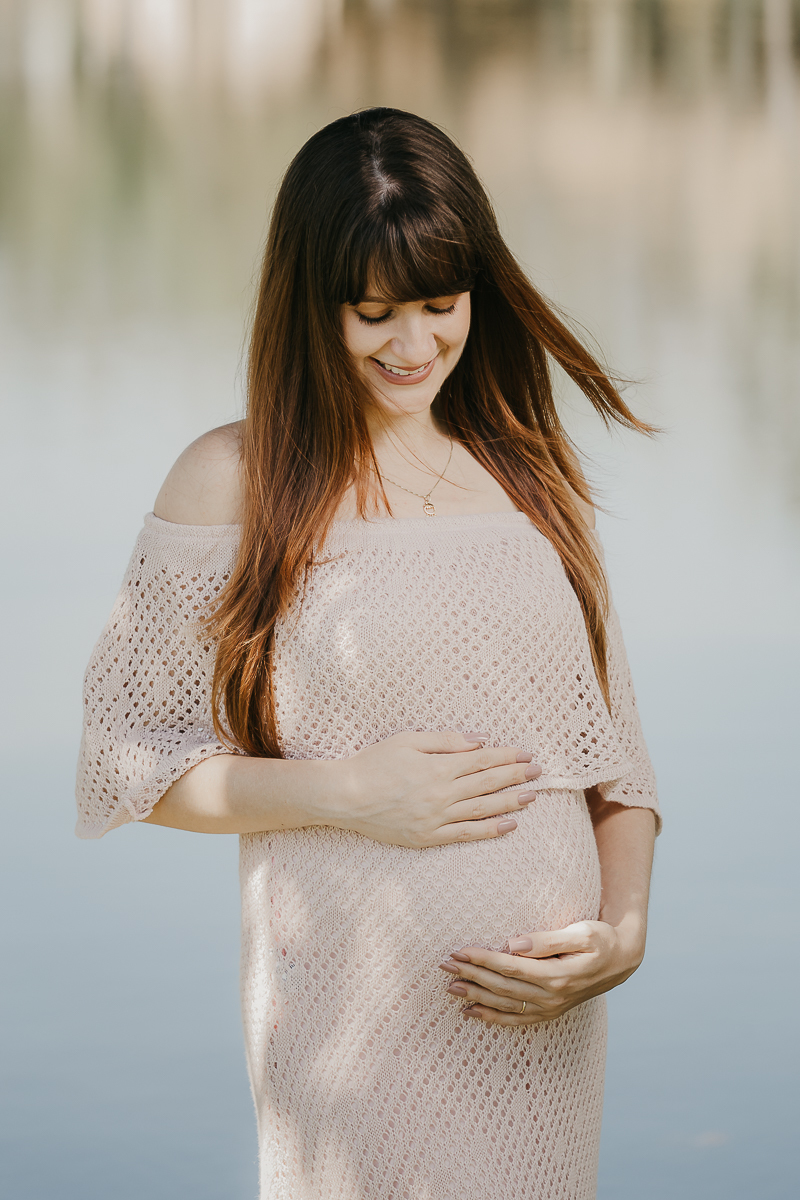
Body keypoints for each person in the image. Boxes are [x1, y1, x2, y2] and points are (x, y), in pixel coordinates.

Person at [76, 107, 660, 1200]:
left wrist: (622, 933)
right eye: (374, 313)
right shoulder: (233, 480)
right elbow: (125, 762)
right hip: (348, 1027)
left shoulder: (532, 472)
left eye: (441, 305)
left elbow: (616, 762)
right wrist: (348, 793)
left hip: (540, 1029)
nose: (415, 345)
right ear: (309, 303)